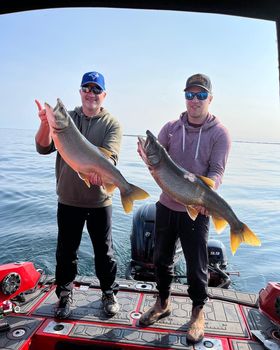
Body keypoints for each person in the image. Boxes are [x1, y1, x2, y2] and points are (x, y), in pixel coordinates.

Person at [138, 73, 231, 343]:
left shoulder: (220, 134)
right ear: (185, 97)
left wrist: (205, 198)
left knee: (196, 266)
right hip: (166, 205)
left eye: (201, 95)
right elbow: (159, 162)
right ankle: (163, 303)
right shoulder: (169, 128)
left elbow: (216, 172)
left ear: (210, 99)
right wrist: (147, 158)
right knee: (160, 260)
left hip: (197, 209)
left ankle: (198, 313)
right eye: (190, 94)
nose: (195, 100)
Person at [35, 71, 122, 319]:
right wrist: (44, 123)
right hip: (69, 199)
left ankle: (108, 292)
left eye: (96, 90)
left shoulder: (112, 124)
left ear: (104, 95)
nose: (91, 94)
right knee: (65, 252)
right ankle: (64, 294)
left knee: (104, 252)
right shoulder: (67, 119)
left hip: (99, 201)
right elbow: (43, 147)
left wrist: (99, 173)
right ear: (80, 91)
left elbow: (111, 158)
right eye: (87, 88)